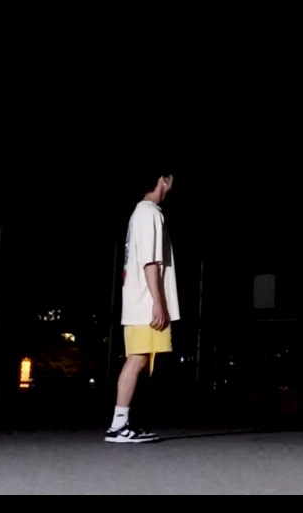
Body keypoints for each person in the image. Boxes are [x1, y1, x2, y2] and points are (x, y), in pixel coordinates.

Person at [106, 169, 180, 444]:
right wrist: (159, 304)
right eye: (171, 178)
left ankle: (123, 424)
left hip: (139, 301)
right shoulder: (150, 213)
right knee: (136, 360)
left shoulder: (141, 213)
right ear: (164, 179)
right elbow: (151, 262)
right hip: (145, 304)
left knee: (140, 360)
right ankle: (118, 426)